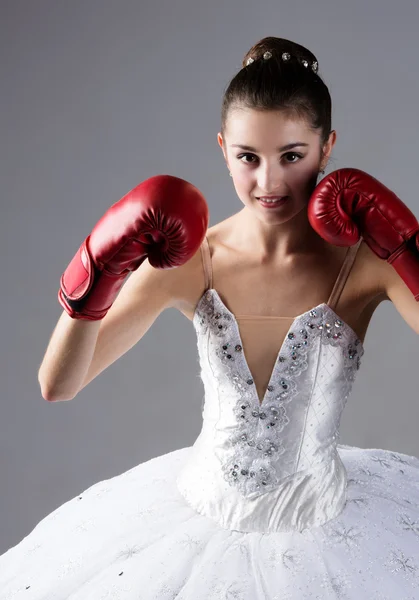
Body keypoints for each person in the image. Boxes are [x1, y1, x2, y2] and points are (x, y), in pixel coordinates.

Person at [1, 36, 419, 599]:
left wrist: (408, 250)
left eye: (291, 156)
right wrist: (97, 265)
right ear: (223, 148)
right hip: (197, 526)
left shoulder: (367, 263)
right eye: (248, 157)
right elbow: (58, 384)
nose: (269, 183)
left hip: (330, 526)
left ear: (327, 148)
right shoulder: (193, 259)